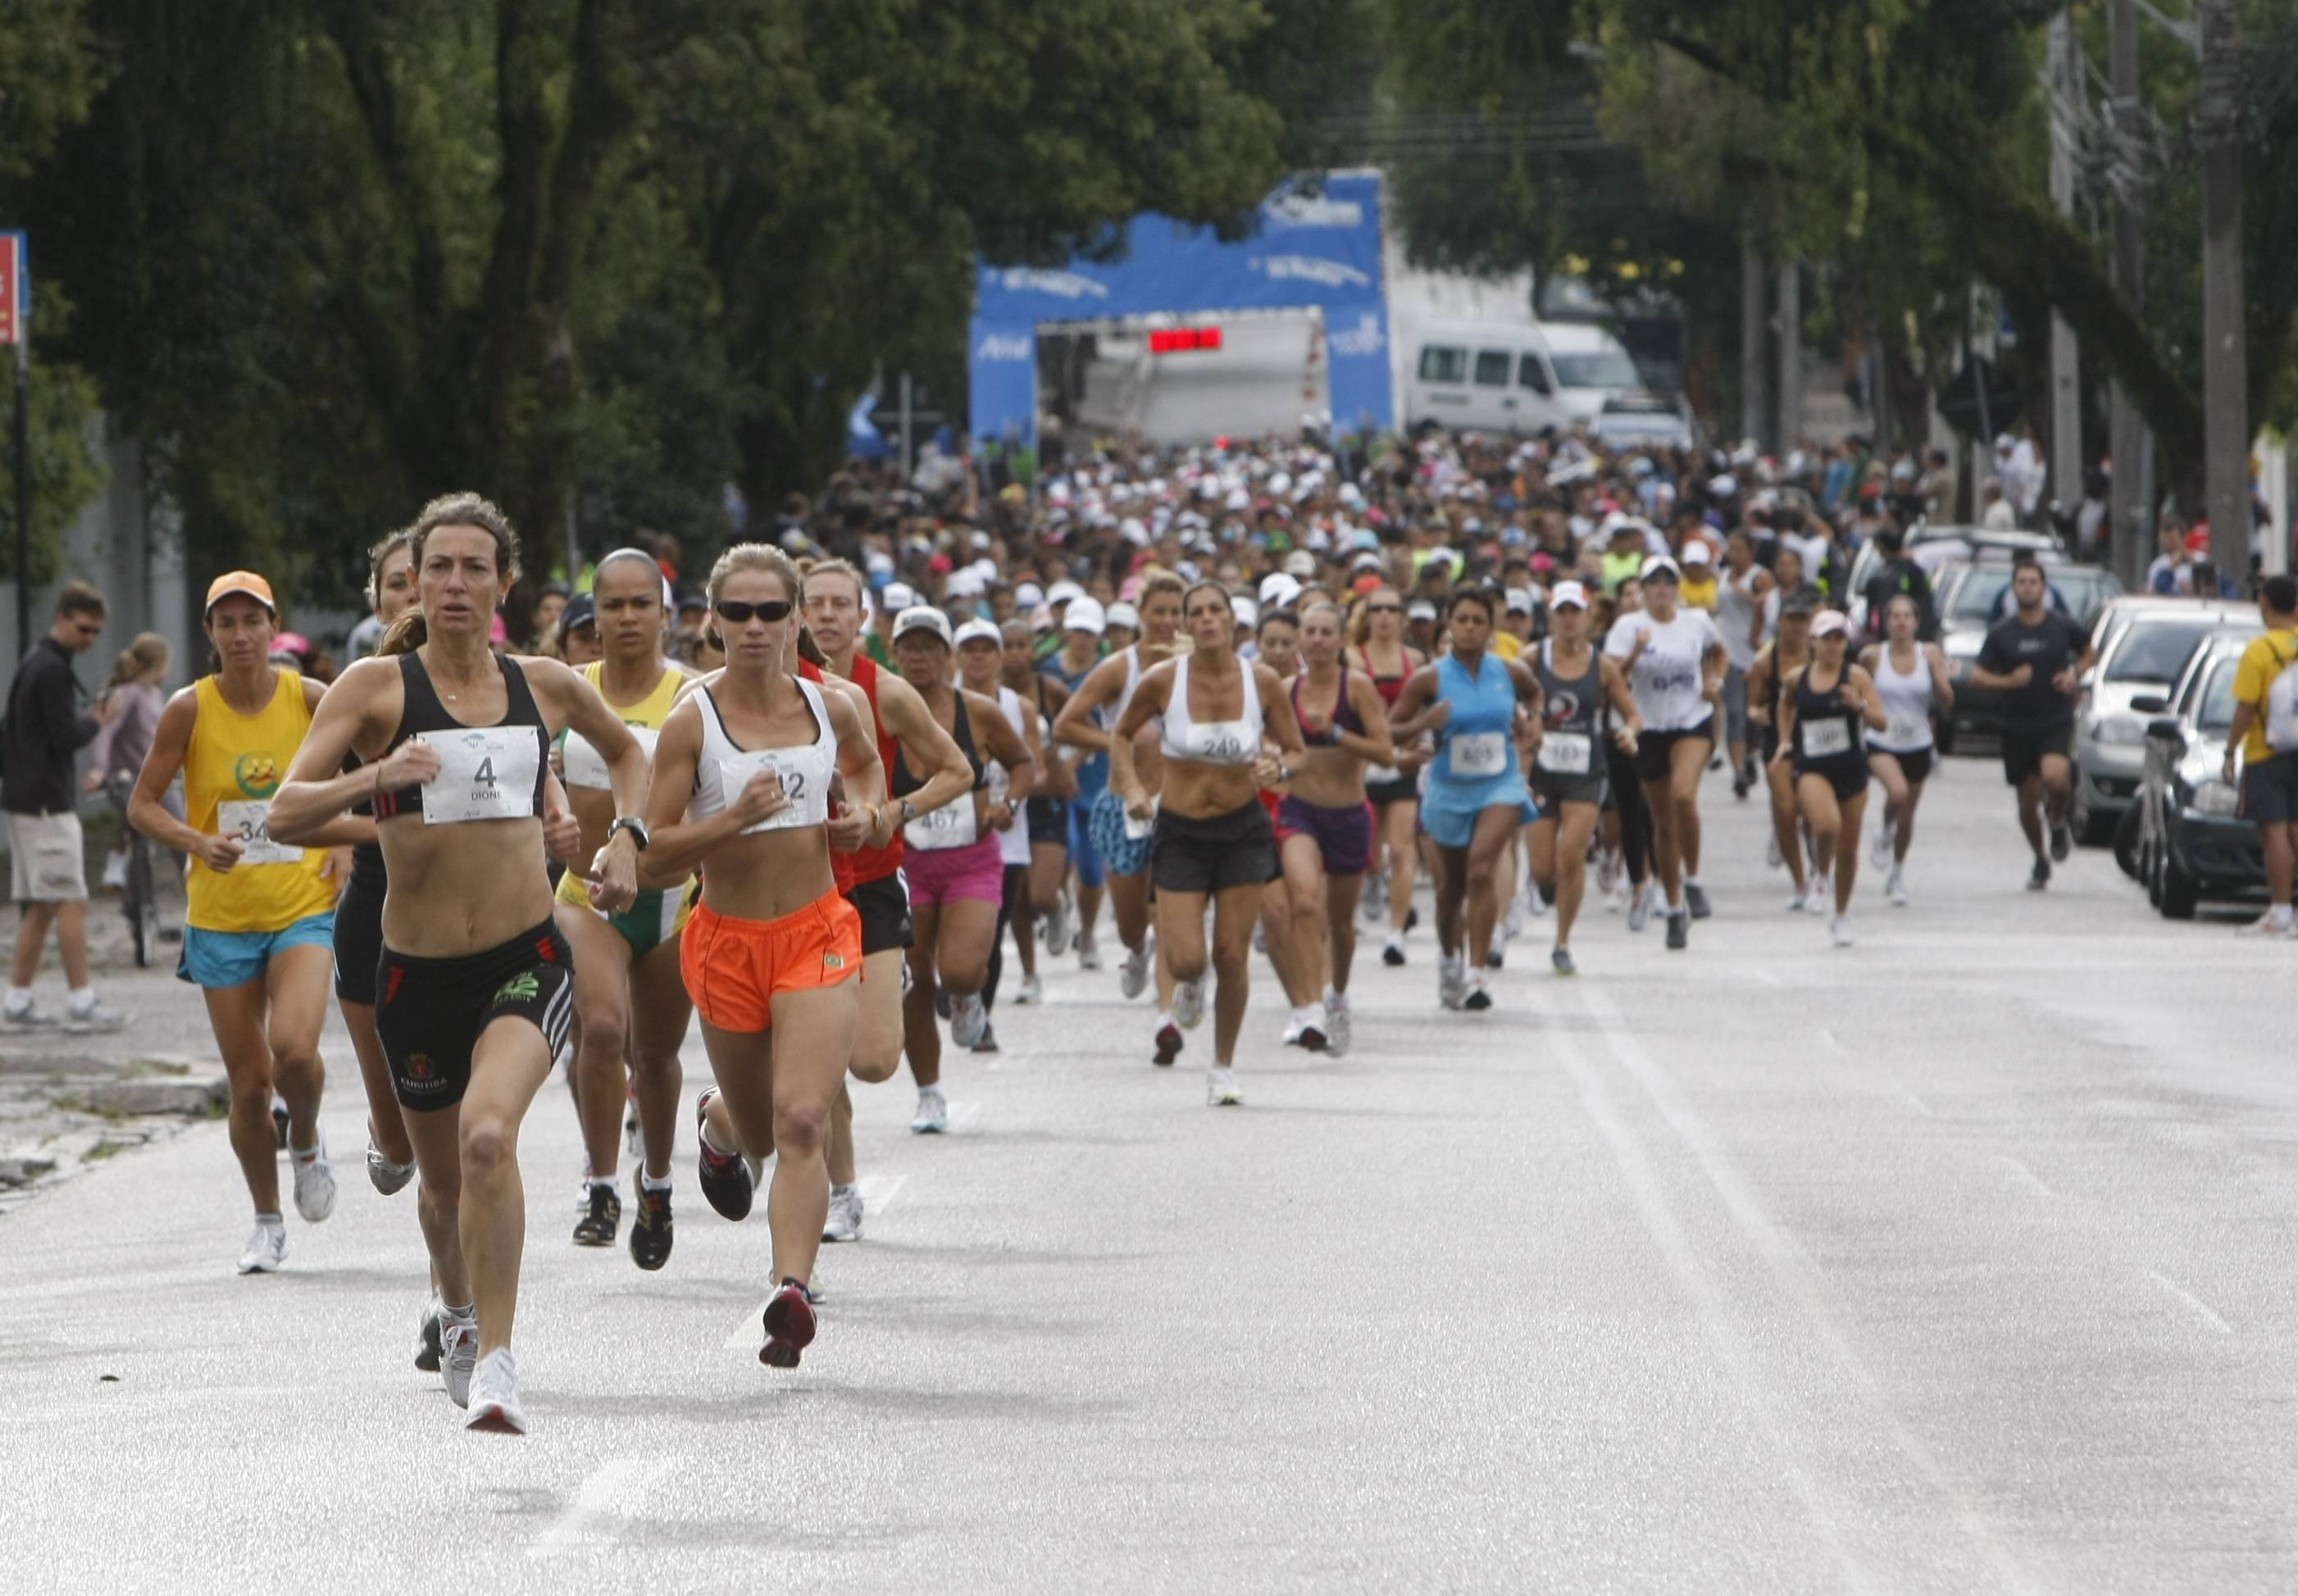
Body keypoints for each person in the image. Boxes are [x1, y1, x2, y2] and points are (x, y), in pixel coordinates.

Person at [271, 492, 649, 1434]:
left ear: (503, 584)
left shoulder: (544, 685)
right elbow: (286, 812)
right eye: (437, 566)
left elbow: (628, 752)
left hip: (525, 958)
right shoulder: (375, 687)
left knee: (490, 1140)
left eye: (473, 566)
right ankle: (456, 1308)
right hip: (414, 975)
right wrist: (377, 777)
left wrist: (625, 841)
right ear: (418, 578)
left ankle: (502, 1366)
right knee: (439, 1193)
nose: (452, 583)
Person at [637, 543, 884, 1368]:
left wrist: (866, 817)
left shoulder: (832, 706)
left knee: (804, 1118)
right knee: (758, 1134)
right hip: (727, 942)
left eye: (770, 612)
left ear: (796, 620)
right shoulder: (691, 721)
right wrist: (731, 818)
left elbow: (867, 770)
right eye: (736, 613)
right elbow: (655, 855)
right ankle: (715, 1124)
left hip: (817, 932)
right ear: (712, 621)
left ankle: (791, 1291)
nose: (754, 627)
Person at [126, 571, 357, 1271]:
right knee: (251, 1083)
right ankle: (266, 1218)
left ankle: (308, 1139)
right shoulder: (187, 710)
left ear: (271, 626)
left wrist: (343, 841)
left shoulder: (311, 698)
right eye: (225, 623)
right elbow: (142, 805)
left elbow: (353, 774)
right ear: (210, 636)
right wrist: (197, 842)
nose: (240, 635)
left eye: (251, 621)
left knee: (293, 1049)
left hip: (300, 905)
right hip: (222, 916)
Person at [796, 559, 970, 1189]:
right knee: (816, 1064)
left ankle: (857, 1007)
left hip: (868, 885)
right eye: (813, 603)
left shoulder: (885, 690)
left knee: (871, 1061)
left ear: (864, 618)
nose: (826, 615)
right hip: (794, 891)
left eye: (840, 604)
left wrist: (891, 812)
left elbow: (957, 770)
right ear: (796, 613)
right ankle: (840, 1191)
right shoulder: (765, 686)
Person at [550, 548, 696, 1266]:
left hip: (672, 900)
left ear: (665, 616)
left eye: (643, 604)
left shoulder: (696, 694)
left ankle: (658, 1181)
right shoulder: (569, 691)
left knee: (658, 1055)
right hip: (586, 895)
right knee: (601, 1029)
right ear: (593, 616)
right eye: (614, 605)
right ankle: (601, 1184)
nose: (629, 617)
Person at [1108, 581, 1304, 1103]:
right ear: (1186, 626)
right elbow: (1121, 736)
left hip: (1242, 829)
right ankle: (1190, 988)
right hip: (1181, 830)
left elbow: (1297, 750)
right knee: (1190, 959)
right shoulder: (1162, 681)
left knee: (1233, 954)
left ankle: (1223, 1067)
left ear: (1233, 621)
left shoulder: (1262, 681)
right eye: (1197, 613)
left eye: (1217, 610)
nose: (1208, 619)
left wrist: (1277, 764)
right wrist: (1132, 789)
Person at [887, 606, 1031, 1115]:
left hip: (972, 858)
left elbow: (1022, 763)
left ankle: (970, 1000)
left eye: (930, 647)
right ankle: (930, 1093)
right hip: (906, 865)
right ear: (895, 653)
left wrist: (1008, 804)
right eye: (910, 647)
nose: (919, 656)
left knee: (962, 971)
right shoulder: (880, 713)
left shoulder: (979, 712)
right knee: (915, 981)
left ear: (948, 655)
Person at [1053, 574, 1189, 1053]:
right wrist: (1120, 739)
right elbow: (1066, 724)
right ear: (1141, 616)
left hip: (1179, 807)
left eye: (1178, 612)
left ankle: (1166, 1016)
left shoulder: (1196, 671)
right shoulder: (1119, 669)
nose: (1169, 622)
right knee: (1134, 922)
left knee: (1171, 911)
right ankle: (1136, 952)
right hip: (1122, 806)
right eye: (1160, 612)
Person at [1389, 589, 1541, 1008]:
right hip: (1448, 788)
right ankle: (1450, 960)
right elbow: (1389, 728)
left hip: (1501, 784)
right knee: (1450, 889)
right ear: (1449, 625)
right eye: (1463, 620)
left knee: (1480, 870)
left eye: (1479, 620)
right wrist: (1424, 723)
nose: (1470, 628)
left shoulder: (1508, 671)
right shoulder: (1430, 678)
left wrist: (1534, 722)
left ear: (1491, 627)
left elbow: (1534, 692)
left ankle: (1476, 974)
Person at [3, 581, 126, 1030]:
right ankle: (81, 1002)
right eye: (85, 628)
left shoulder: (35, 662)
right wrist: (98, 719)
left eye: (97, 631)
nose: (90, 638)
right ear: (62, 618)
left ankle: (17, 1001)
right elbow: (63, 738)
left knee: (44, 905)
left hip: (25, 800)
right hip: (46, 806)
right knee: (71, 899)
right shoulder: (52, 670)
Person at [1272, 602, 1393, 1056]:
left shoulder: (1356, 688)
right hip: (1300, 811)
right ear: (1301, 640)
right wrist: (1275, 761)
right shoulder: (1285, 690)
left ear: (1341, 640)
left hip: (1348, 814)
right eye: (1312, 632)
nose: (1319, 639)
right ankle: (1307, 1007)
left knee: (1341, 924)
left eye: (1327, 632)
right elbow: (1273, 743)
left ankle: (1337, 995)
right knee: (1303, 905)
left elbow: (1385, 752)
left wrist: (1340, 735)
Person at [1604, 555, 1726, 949]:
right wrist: (1637, 653)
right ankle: (1674, 907)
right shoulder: (1628, 627)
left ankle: (1693, 880)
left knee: (1683, 793)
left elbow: (1718, 651)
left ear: (1677, 588)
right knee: (1663, 822)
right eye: (1653, 582)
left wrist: (1714, 679)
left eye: (1668, 581)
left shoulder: (1695, 621)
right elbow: (1613, 678)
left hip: (1693, 719)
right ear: (1642, 589)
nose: (1661, 589)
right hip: (1649, 728)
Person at [1525, 582, 1640, 974]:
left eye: (1576, 611)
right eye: (1563, 611)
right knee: (1543, 868)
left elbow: (1632, 712)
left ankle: (1562, 942)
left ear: (1589, 617)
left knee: (1572, 854)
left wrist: (1630, 733)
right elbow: (1507, 701)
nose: (1570, 619)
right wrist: (1526, 725)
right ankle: (1542, 888)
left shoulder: (1602, 665)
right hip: (1541, 772)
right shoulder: (1531, 658)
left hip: (1585, 770)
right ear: (1552, 617)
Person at [1970, 557, 2092, 890]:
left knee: (2055, 778)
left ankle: (2057, 821)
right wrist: (2009, 681)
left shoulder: (2061, 626)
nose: (2027, 587)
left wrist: (2075, 675)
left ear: (2044, 587)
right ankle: (2040, 858)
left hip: (2055, 718)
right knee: (2026, 802)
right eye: (2021, 582)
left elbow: (2089, 650)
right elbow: (1978, 676)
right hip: (2016, 724)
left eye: (2033, 582)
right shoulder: (2001, 633)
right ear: (2013, 588)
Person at [1772, 612, 1888, 946]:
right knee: (1826, 825)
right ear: (1814, 642)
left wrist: (1861, 705)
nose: (1833, 646)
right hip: (1813, 766)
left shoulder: (1856, 676)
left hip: (1851, 766)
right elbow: (1785, 705)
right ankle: (1820, 876)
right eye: (1826, 639)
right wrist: (1784, 740)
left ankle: (1841, 914)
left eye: (1839, 640)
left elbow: (1881, 722)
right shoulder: (1798, 677)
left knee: (1849, 850)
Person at [961, 617, 1044, 1039]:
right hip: (943, 837)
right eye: (970, 649)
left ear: (997, 658)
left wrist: (1007, 802)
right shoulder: (934, 703)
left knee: (990, 932)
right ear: (956, 656)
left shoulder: (1018, 707)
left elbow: (1035, 768)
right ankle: (956, 987)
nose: (978, 657)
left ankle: (983, 1016)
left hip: (1006, 841)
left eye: (986, 649)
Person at [1350, 586, 1428, 966]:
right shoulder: (1352, 658)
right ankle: (1371, 882)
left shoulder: (1414, 659)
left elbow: (1425, 706)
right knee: (1369, 853)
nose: (1384, 616)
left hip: (1402, 762)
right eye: (1376, 609)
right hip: (1364, 763)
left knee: (1401, 849)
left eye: (1391, 609)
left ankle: (1396, 932)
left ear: (1402, 617)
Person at [1859, 593, 1953, 907]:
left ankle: (1897, 872)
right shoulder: (1873, 656)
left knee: (1908, 815)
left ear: (1916, 622)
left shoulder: (1929, 653)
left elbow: (1947, 698)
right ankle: (1884, 829)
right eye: (1895, 617)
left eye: (1906, 617)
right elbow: (1860, 691)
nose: (1901, 622)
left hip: (1918, 741)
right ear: (1886, 623)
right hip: (1882, 739)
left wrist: (1940, 681)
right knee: (1897, 793)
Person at [2223, 574, 2298, 935]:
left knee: (2276, 833)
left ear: (2265, 605)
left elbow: (2246, 707)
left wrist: (2230, 750)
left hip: (2265, 751)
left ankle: (2281, 911)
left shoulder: (2258, 651)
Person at [1040, 598, 1113, 966]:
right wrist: (1059, 765)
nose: (1083, 638)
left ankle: (1086, 935)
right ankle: (1056, 904)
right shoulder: (1048, 670)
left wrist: (1076, 760)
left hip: (1096, 779)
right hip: (1054, 779)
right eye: (1078, 630)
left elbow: (1098, 729)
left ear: (1099, 636)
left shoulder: (1106, 671)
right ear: (1066, 630)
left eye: (1090, 632)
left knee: (1090, 865)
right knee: (1060, 850)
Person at [85, 633, 172, 892]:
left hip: (158, 773)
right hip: (126, 775)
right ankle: (116, 865)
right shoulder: (128, 694)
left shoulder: (156, 695)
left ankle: (192, 881)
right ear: (160, 665)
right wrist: (100, 769)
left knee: (176, 821)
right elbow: (106, 732)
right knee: (132, 815)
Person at [1747, 590, 1817, 908]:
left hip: (1815, 740)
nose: (1797, 627)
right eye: (1791, 620)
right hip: (1778, 742)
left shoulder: (1821, 656)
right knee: (1787, 810)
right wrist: (1756, 714)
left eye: (1803, 620)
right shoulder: (1765, 661)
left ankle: (1819, 873)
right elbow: (1752, 704)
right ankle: (1800, 881)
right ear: (1780, 623)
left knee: (1812, 815)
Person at [1714, 530, 1771, 798]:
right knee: (1734, 713)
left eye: (1739, 549)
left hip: (1756, 655)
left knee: (1752, 714)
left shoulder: (1759, 577)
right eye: (1730, 549)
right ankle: (1737, 770)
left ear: (1751, 552)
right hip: (1729, 654)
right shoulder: (1723, 575)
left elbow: (1771, 606)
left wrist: (1746, 594)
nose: (1733, 555)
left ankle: (1751, 753)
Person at [1857, 526, 1939, 643]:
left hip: (1897, 643)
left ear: (1880, 546)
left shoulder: (1884, 577)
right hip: (1919, 639)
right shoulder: (1918, 572)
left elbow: (1877, 618)